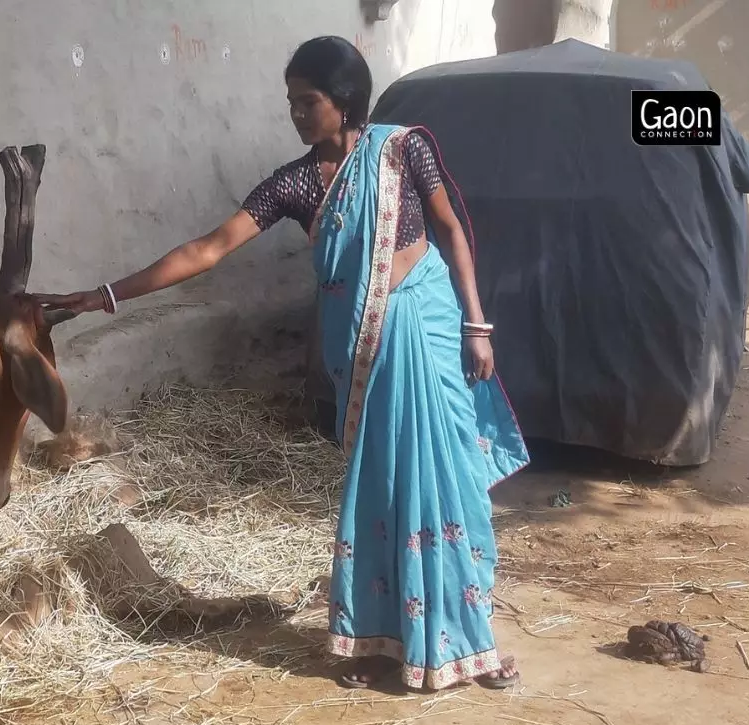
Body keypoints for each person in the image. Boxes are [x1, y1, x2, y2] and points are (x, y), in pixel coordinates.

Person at [38, 35, 530, 691]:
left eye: (309, 101)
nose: (297, 113)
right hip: (365, 353)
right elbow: (209, 249)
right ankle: (379, 638)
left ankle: (467, 640)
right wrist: (104, 296)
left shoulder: (404, 148)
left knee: (446, 479)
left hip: (433, 331)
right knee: (381, 483)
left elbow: (450, 230)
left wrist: (477, 322)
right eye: (292, 102)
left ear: (344, 99)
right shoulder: (296, 183)